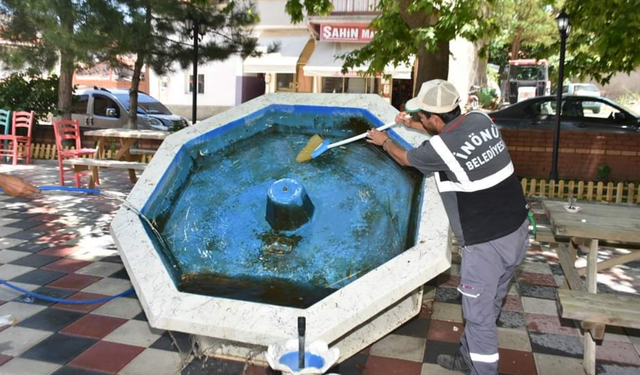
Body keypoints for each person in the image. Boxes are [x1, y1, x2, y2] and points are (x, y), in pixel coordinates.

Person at [366, 79, 529, 375]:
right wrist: (414, 125)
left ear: (436, 118)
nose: (419, 119)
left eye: (423, 116)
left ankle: (482, 369)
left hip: (486, 244)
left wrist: (384, 141)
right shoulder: (479, 118)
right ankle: (467, 360)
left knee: (478, 318)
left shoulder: (441, 147)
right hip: (517, 232)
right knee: (488, 307)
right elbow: (451, 139)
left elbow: (406, 159)